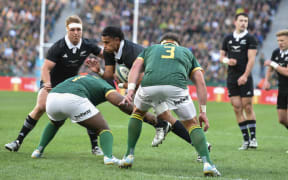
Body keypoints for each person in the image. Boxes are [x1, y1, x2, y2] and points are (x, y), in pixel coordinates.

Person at [118, 33, 221, 177]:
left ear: (162, 43)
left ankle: (128, 156)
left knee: (137, 113)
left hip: (149, 86)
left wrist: (130, 91)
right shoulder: (186, 52)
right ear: (177, 44)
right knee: (192, 124)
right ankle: (208, 164)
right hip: (176, 87)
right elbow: (200, 81)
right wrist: (203, 111)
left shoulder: (151, 49)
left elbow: (135, 67)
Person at [5, 15, 104, 155]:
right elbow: (45, 69)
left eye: (79, 29)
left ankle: (95, 147)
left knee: (88, 107)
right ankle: (17, 142)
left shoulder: (88, 45)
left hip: (71, 83)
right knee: (40, 107)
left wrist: (117, 60)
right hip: (51, 82)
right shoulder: (58, 47)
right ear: (67, 30)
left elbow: (105, 55)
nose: (76, 32)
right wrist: (47, 84)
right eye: (73, 29)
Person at [30, 74, 129, 165]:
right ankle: (109, 157)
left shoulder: (88, 77)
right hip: (72, 99)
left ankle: (38, 151)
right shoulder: (105, 86)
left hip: (52, 97)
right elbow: (116, 99)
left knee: (55, 123)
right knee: (103, 129)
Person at [97, 26, 171, 147]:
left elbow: (141, 77)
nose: (104, 46)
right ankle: (160, 125)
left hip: (157, 79)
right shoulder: (109, 51)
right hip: (144, 84)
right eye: (103, 42)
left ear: (117, 40)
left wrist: (126, 85)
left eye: (106, 42)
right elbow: (109, 75)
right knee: (127, 106)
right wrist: (98, 71)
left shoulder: (131, 52)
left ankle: (200, 144)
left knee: (168, 118)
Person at [219, 13, 258, 150]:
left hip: (245, 77)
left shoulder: (250, 38)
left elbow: (252, 59)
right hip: (231, 78)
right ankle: (246, 140)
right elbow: (221, 57)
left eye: (246, 21)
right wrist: (227, 61)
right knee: (236, 108)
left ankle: (253, 139)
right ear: (235, 22)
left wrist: (245, 75)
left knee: (247, 106)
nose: (243, 23)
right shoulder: (228, 38)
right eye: (241, 20)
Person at [263, 30, 288, 141]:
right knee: (282, 119)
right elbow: (270, 68)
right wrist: (266, 81)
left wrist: (273, 63)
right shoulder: (276, 52)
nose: (280, 43)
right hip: (282, 89)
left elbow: (287, 72)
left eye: (282, 40)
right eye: (278, 40)